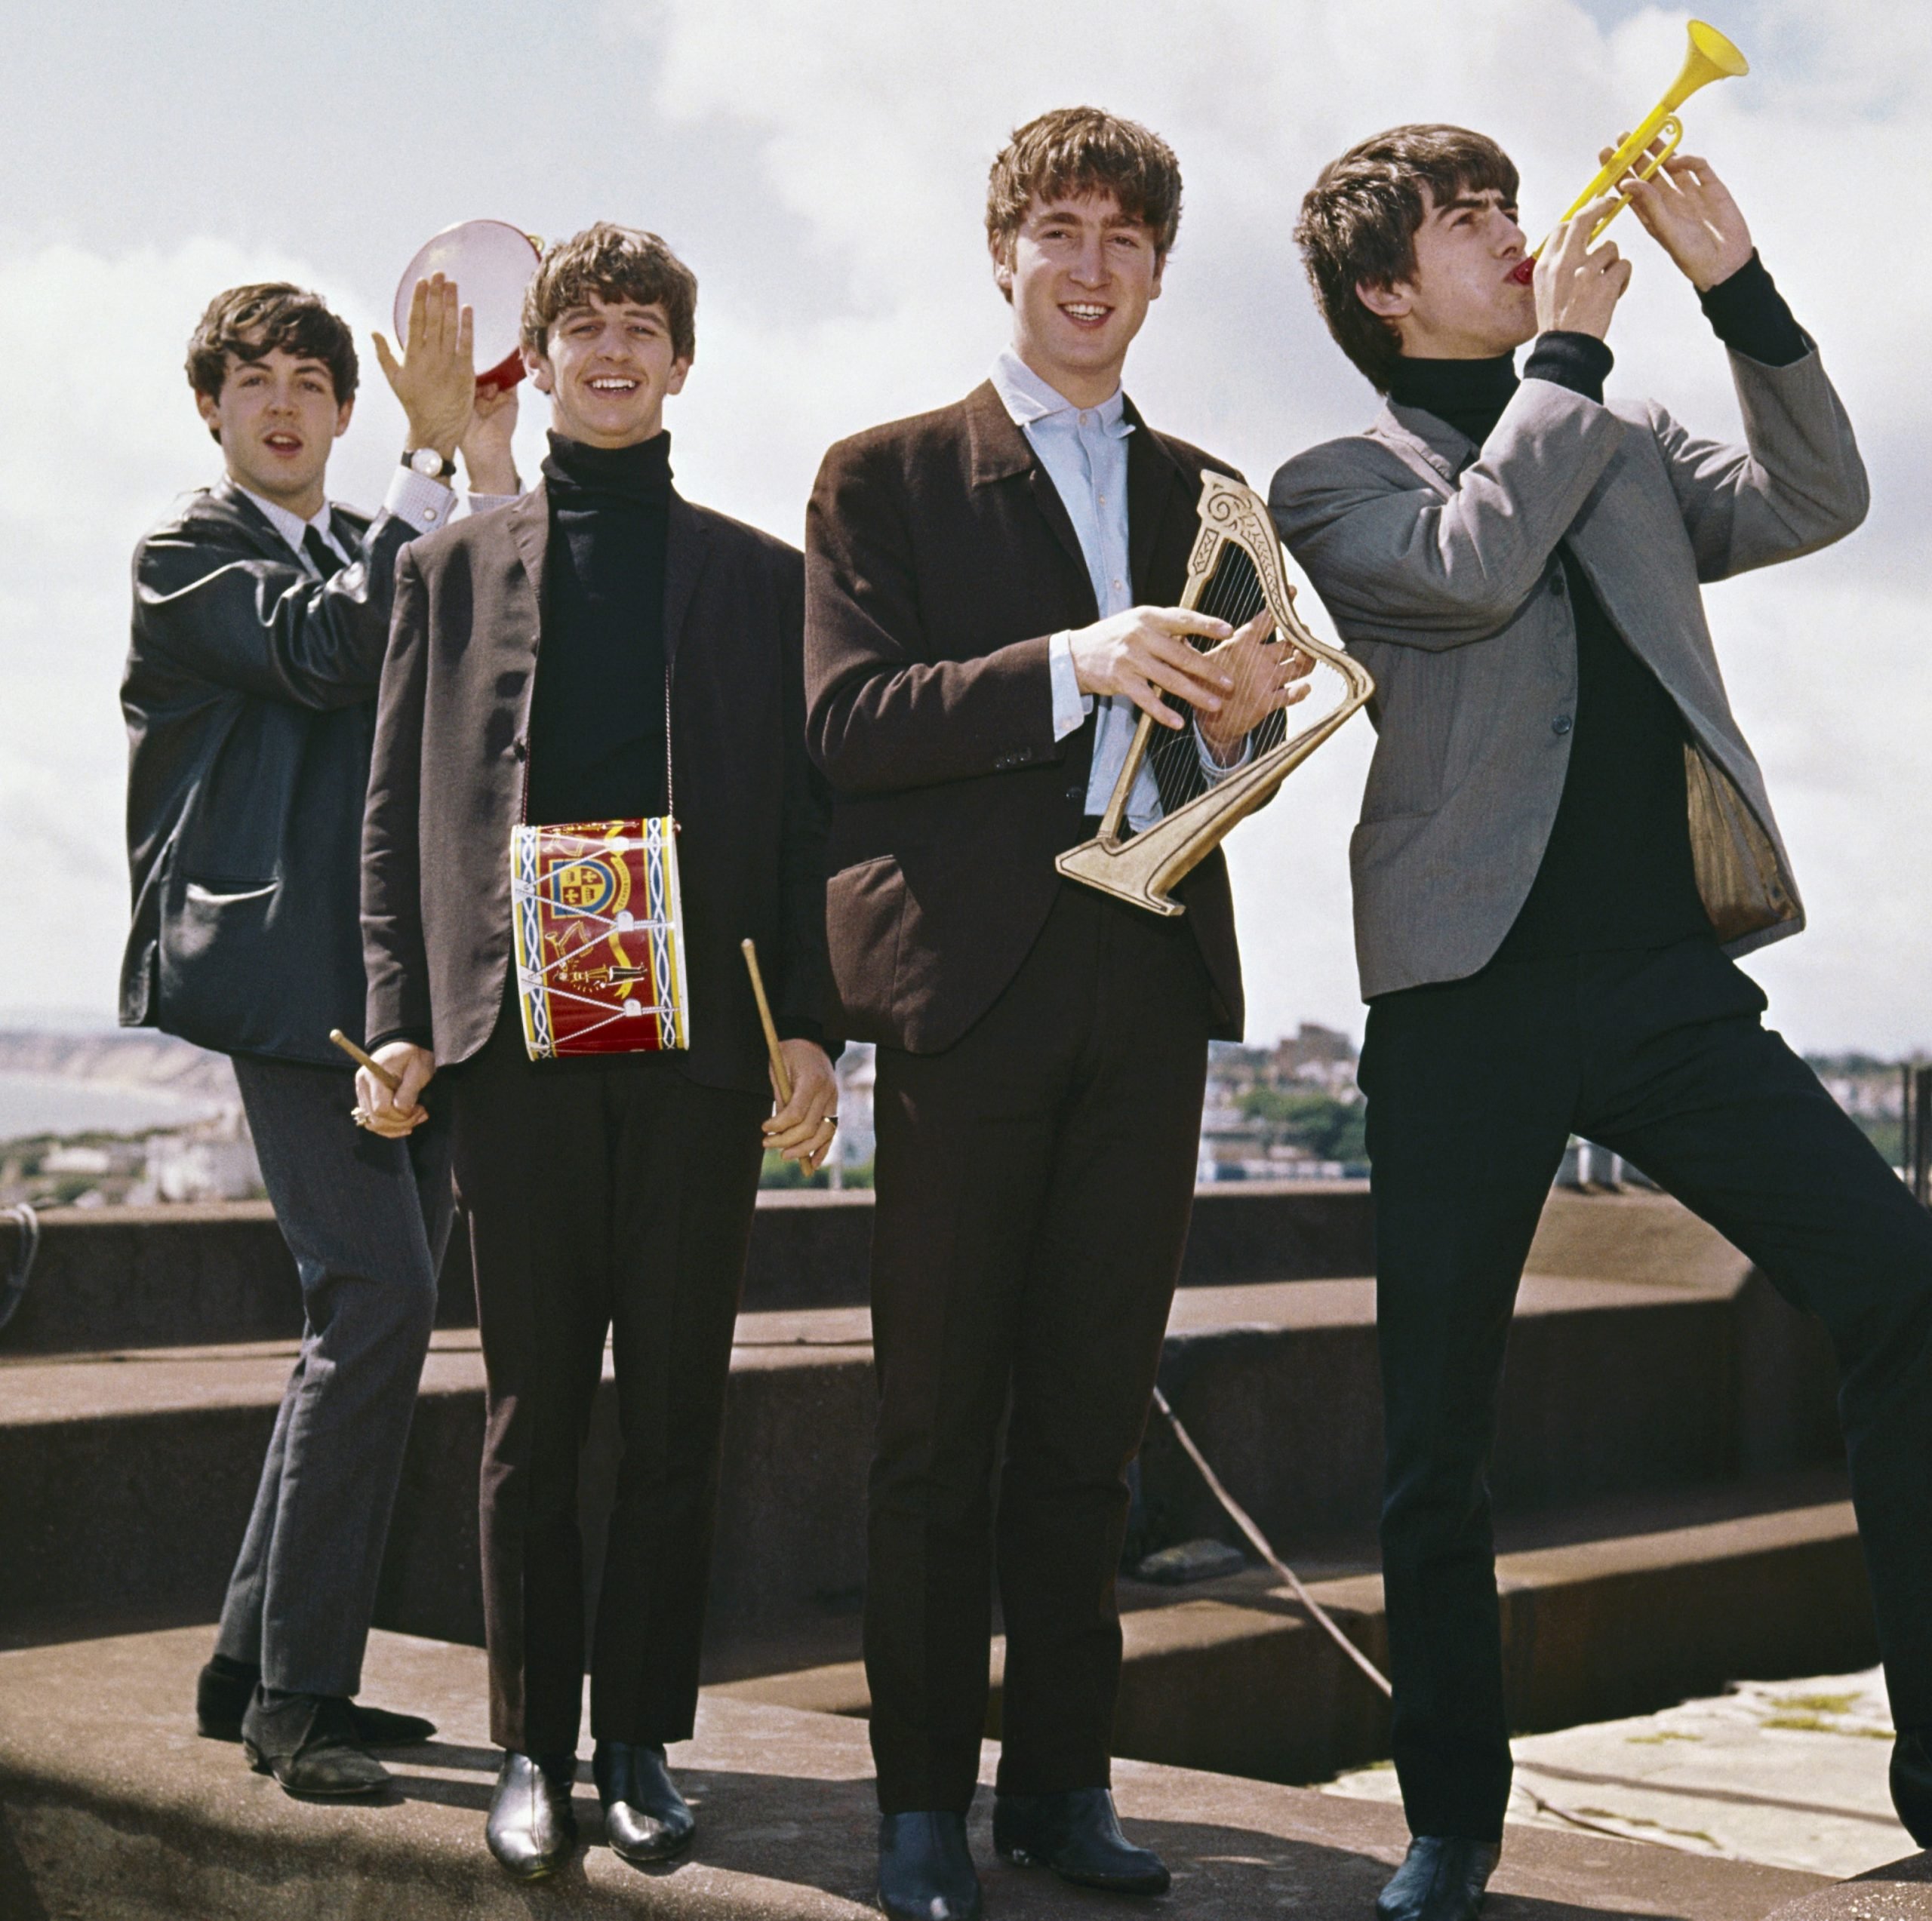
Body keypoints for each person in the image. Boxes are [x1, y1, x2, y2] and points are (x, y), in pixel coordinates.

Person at [1272, 125, 1932, 1920]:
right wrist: (1561, 355)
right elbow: (1468, 568)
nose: (1508, 233)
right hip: (1457, 1005)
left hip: (1659, 984)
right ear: (1384, 290)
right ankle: (1449, 1821)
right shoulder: (1330, 474)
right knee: (1436, 1435)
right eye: (1461, 223)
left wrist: (1738, 291)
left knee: (1898, 1278)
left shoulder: (1624, 437)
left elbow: (1816, 503)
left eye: (1505, 205)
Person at [805, 106, 1308, 1921]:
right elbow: (847, 727)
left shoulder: (1210, 491)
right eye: (1058, 230)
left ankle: (1062, 1791)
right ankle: (919, 1809)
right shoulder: (879, 478)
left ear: (1161, 270)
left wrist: (1244, 720)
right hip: (971, 994)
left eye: (1121, 237)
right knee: (935, 1424)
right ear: (1002, 250)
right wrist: (1062, 669)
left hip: (1147, 980)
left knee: (1091, 1422)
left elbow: (1228, 744)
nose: (1088, 265)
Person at [355, 222, 838, 1883]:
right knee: (530, 1414)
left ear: (681, 364)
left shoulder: (765, 579)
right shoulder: (445, 568)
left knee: (677, 1411)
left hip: (699, 1043)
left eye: (643, 328)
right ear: (539, 360)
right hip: (514, 1041)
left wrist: (816, 1034)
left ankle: (637, 1745)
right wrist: (403, 1011)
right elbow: (389, 816)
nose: (613, 352)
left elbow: (800, 826)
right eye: (584, 328)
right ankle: (527, 1751)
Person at [120, 278, 516, 1796]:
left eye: (309, 377)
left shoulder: (387, 534)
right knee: (375, 1299)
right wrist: (425, 466)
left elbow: (501, 636)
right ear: (211, 408)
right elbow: (323, 649)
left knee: (357, 1319)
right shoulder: (186, 554)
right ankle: (300, 1695)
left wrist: (482, 455)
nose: (282, 400)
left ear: (342, 409)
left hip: (400, 988)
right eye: (250, 379)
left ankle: (242, 1664)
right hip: (283, 982)